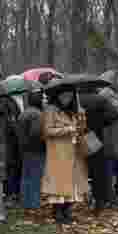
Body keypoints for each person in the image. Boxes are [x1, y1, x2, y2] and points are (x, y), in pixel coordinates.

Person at [41, 87, 89, 225]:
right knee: (59, 183)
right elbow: (47, 131)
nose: (67, 99)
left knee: (73, 182)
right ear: (58, 96)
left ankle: (67, 211)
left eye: (69, 96)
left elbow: (81, 130)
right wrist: (67, 129)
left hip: (74, 151)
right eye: (64, 96)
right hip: (58, 152)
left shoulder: (74, 110)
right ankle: (57, 212)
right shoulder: (51, 110)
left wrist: (82, 118)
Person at [16, 90, 45, 210]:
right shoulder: (37, 114)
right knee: (35, 177)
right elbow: (36, 133)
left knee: (26, 177)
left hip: (24, 148)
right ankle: (34, 203)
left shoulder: (24, 113)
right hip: (36, 150)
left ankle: (25, 201)